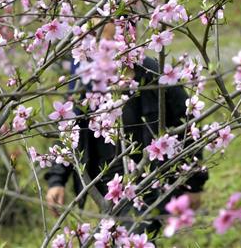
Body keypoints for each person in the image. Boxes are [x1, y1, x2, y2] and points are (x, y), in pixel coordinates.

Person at [45, 24, 207, 235]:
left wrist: (195, 184)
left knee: (135, 235)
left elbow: (187, 124)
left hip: (147, 180)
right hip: (104, 183)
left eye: (115, 40)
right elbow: (70, 128)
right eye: (100, 42)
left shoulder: (154, 74)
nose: (108, 49)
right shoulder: (87, 80)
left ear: (130, 38)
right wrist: (57, 180)